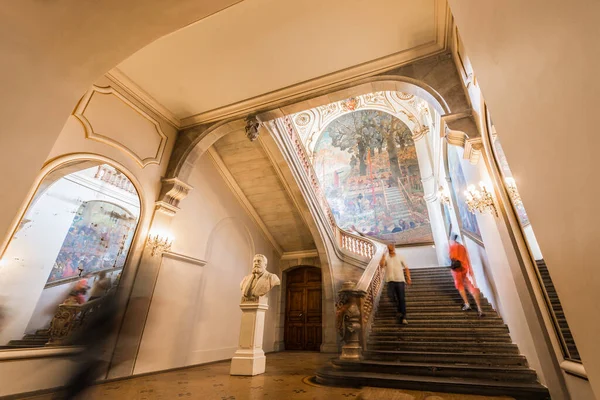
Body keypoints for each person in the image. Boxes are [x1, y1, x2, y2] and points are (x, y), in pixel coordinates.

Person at [449, 234, 485, 317]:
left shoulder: (453, 247)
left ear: (452, 240)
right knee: (470, 286)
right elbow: (466, 258)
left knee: (460, 286)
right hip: (465, 268)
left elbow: (452, 257)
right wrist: (470, 269)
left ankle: (467, 304)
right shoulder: (462, 247)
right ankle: (479, 308)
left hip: (457, 269)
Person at [380, 243, 411, 324]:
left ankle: (403, 316)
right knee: (390, 296)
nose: (390, 248)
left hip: (400, 280)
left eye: (391, 246)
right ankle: (399, 309)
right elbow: (381, 265)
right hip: (390, 281)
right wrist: (383, 256)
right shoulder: (386, 257)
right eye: (388, 247)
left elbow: (406, 268)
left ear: (394, 248)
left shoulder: (400, 256)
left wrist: (408, 278)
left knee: (401, 298)